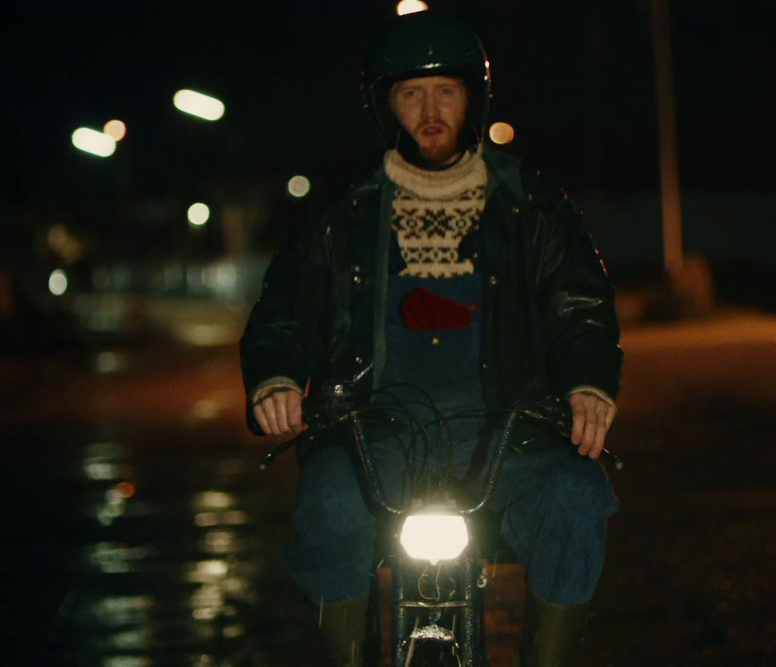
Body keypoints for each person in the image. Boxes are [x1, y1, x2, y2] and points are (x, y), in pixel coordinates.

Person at [239, 11, 622, 666]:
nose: (430, 109)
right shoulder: (342, 212)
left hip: (509, 432)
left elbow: (579, 304)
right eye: (410, 93)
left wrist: (588, 385)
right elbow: (284, 310)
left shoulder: (531, 203)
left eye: (445, 89)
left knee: (577, 496)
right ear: (385, 104)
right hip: (374, 434)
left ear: (472, 96)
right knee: (330, 503)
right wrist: (276, 378)